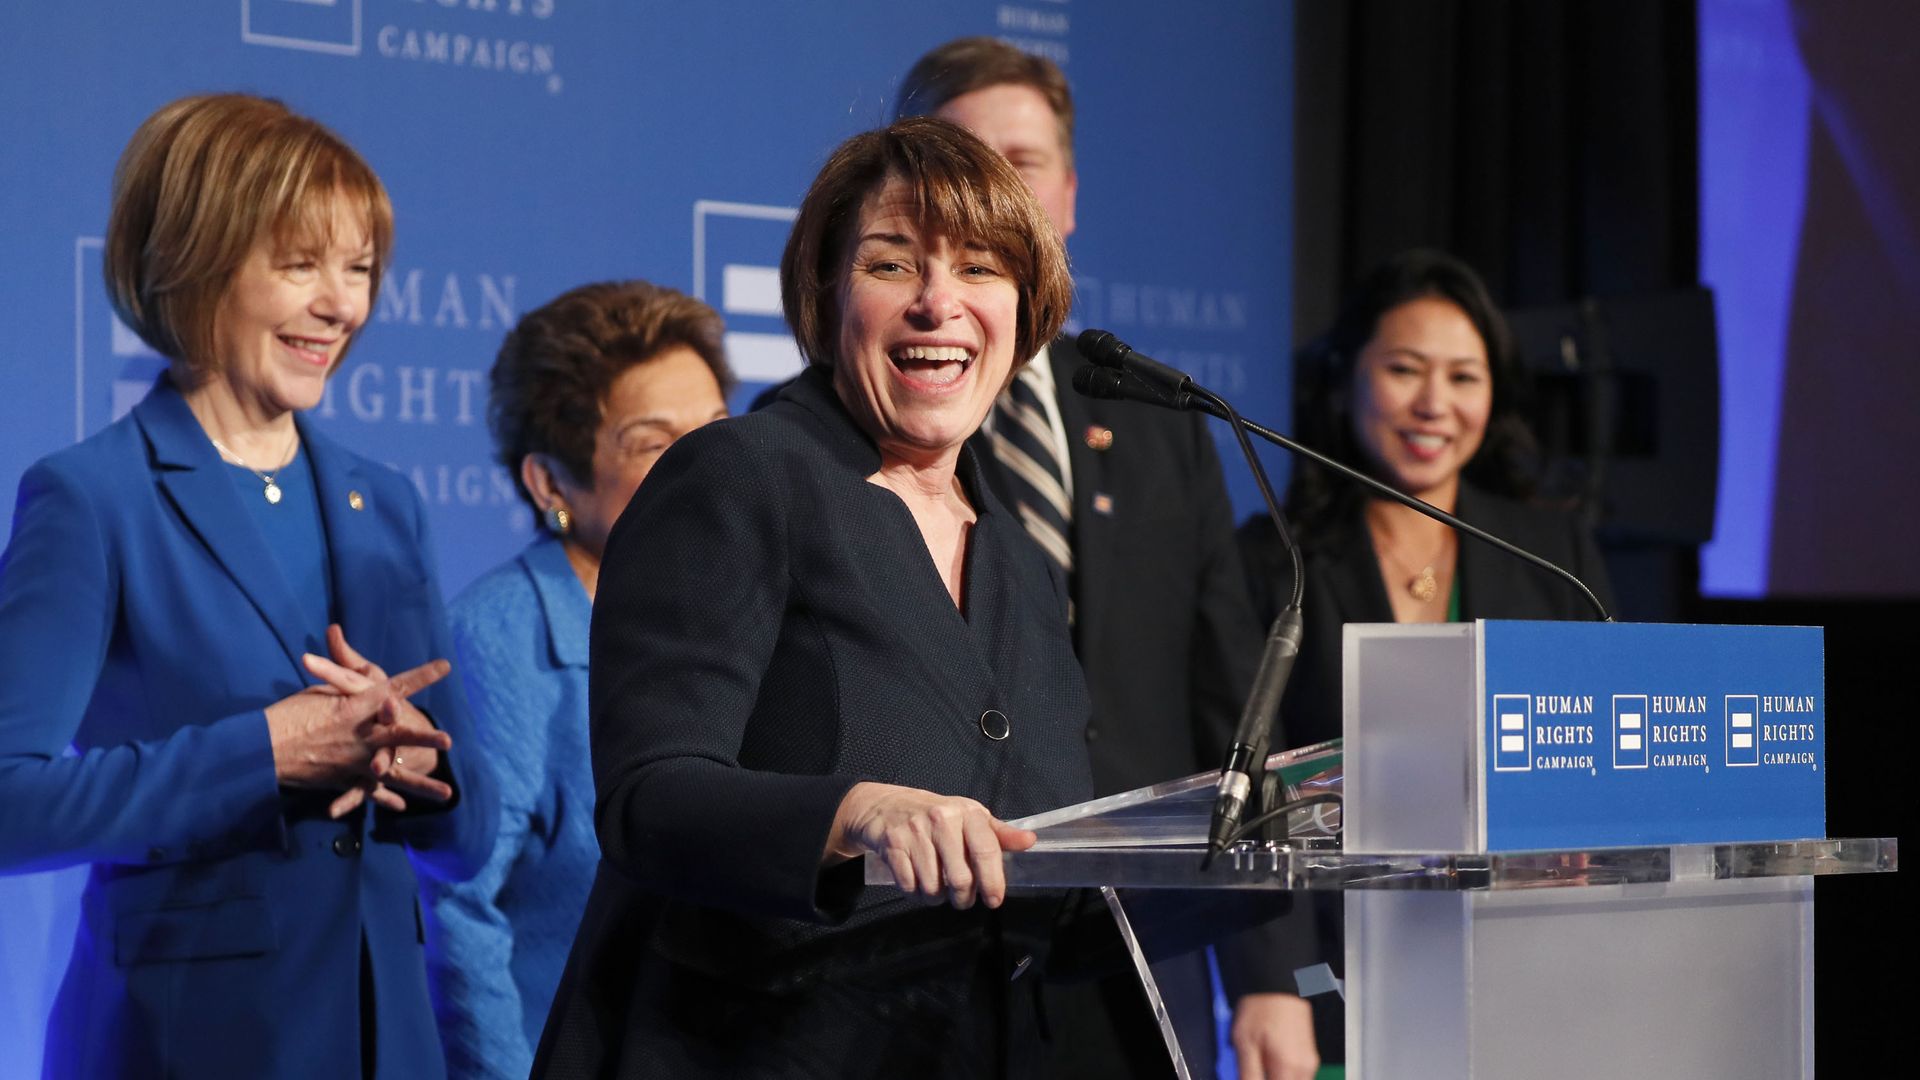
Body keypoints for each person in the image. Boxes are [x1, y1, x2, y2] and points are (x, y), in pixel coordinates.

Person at [532, 116, 1094, 1079]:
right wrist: (854, 814)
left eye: (981, 269)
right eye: (891, 265)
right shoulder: (740, 477)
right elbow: (649, 799)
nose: (937, 303)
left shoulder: (1023, 561)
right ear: (826, 293)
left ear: (1026, 307)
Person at [0, 94, 497, 1077]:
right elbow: (11, 804)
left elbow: (466, 837)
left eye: (358, 270)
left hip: (384, 1042)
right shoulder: (94, 500)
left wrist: (414, 768)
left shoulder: (382, 504)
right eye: (302, 265)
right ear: (197, 260)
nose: (342, 306)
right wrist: (267, 750)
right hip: (187, 1041)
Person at [896, 37, 1319, 1080]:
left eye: (1023, 162)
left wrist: (1271, 967)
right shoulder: (861, 419)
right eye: (962, 159)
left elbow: (1230, 704)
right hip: (919, 942)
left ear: (1069, 196)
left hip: (1139, 954)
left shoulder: (1153, 412)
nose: (996, 188)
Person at [1238, 248, 1616, 1060]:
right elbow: (1249, 785)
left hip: (1532, 972)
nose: (1434, 404)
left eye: (1464, 378)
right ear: (1346, 380)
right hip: (1338, 984)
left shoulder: (1554, 555)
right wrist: (1275, 980)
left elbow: (1599, 768)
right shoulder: (1274, 559)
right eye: (1405, 370)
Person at [424, 281, 733, 1079]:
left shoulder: (748, 618)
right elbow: (457, 910)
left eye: (717, 433)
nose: (706, 470)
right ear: (551, 484)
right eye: (655, 444)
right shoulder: (497, 640)